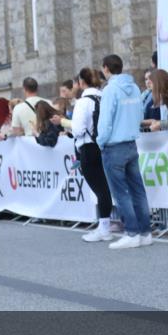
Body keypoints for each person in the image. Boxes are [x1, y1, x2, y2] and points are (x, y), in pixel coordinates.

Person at [96, 54, 152, 250]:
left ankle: (132, 232)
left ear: (105, 68)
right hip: (131, 142)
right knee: (138, 190)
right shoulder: (135, 88)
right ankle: (145, 232)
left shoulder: (110, 90)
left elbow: (105, 121)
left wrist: (100, 142)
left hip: (114, 145)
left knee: (121, 193)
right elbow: (139, 114)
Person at [63, 68, 114, 242]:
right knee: (104, 187)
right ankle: (105, 225)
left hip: (88, 147)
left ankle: (104, 227)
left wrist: (70, 129)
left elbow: (77, 129)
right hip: (104, 145)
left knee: (100, 189)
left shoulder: (83, 102)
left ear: (81, 82)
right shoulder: (103, 97)